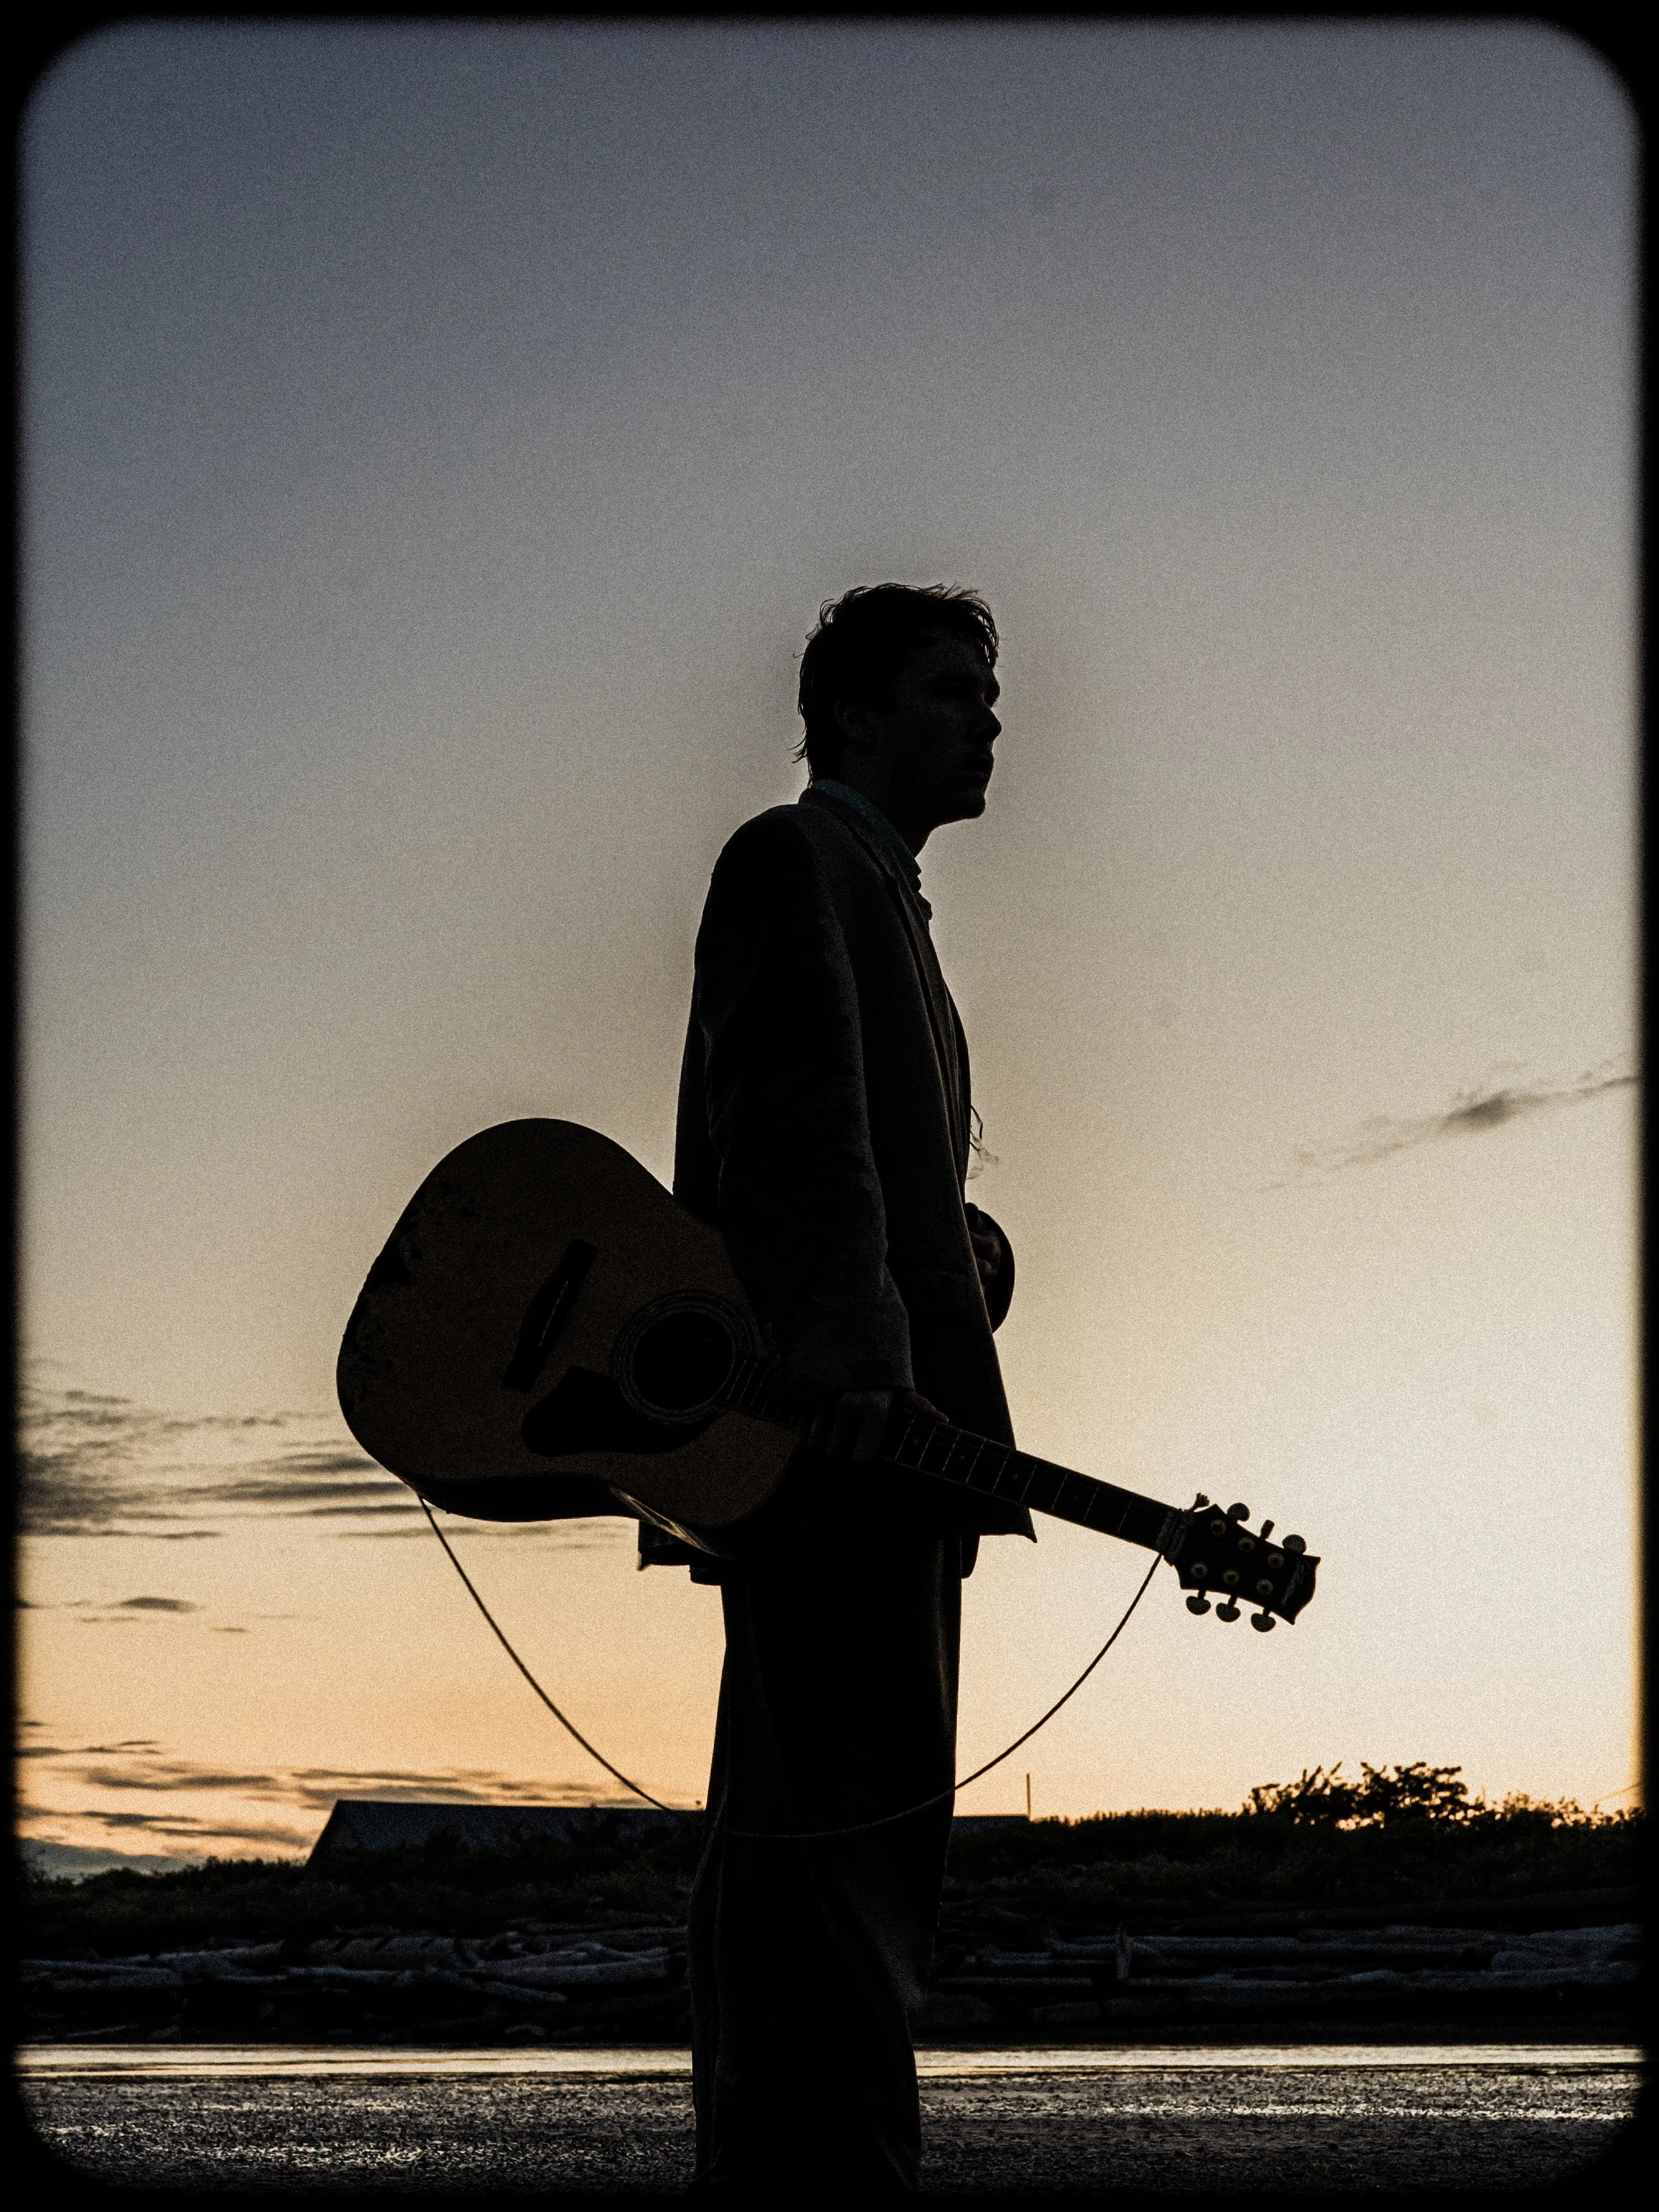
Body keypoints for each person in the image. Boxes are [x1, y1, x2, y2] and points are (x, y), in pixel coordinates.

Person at [661, 583, 1033, 2195]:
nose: (989, 717)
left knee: (843, 1859)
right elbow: (795, 1135)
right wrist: (864, 1370)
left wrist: (968, 1264)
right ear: (852, 718)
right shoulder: (796, 857)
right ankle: (818, 2178)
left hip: (882, 1443)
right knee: (829, 1867)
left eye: (987, 693)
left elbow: (864, 1173)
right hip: (843, 1457)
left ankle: (803, 2163)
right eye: (953, 690)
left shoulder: (884, 898)